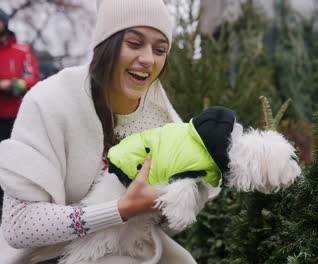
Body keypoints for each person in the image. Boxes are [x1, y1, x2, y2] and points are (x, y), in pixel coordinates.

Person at [0, 0, 213, 263]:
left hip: (129, 249)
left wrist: (181, 196)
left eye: (160, 49)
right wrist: (120, 209)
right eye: (134, 43)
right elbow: (19, 225)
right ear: (105, 45)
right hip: (46, 255)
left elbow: (165, 223)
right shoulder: (49, 101)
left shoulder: (161, 118)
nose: (148, 59)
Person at [0, 8, 39, 223]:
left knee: (14, 164)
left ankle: (17, 207)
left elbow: (32, 78)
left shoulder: (21, 50)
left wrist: (12, 85)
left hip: (17, 117)